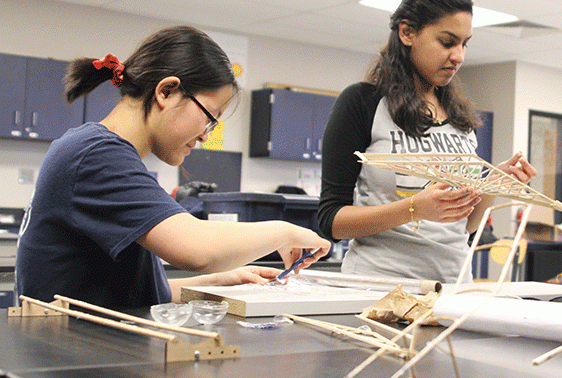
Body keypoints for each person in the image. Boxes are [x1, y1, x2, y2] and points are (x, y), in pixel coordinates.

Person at [16, 25, 330, 309]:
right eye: (209, 119)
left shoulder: (93, 148)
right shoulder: (97, 155)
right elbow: (197, 251)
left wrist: (218, 282)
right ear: (166, 91)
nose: (206, 137)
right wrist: (286, 232)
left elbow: (123, 292)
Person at [318, 0, 536, 283]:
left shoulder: (460, 119)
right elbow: (331, 221)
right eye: (447, 42)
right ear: (407, 32)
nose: (459, 56)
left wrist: (494, 184)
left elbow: (465, 226)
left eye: (464, 44)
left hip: (452, 288)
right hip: (380, 286)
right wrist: (413, 208)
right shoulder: (362, 103)